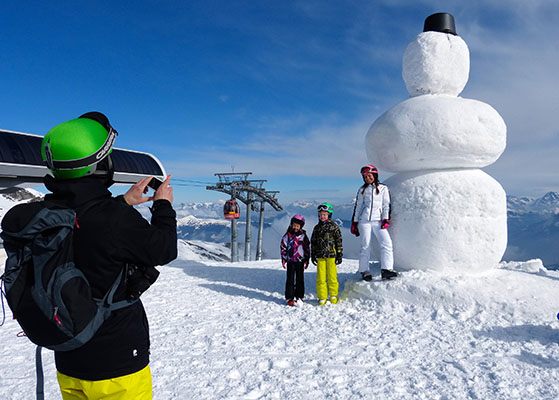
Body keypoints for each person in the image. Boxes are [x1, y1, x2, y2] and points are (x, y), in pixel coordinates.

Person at [2, 112, 177, 399]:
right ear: (99, 166)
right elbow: (164, 248)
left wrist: (123, 202)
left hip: (69, 356)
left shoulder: (49, 213)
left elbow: (83, 223)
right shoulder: (115, 220)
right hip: (117, 363)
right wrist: (163, 207)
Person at [350, 164, 397, 281]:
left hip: (378, 221)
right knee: (365, 246)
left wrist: (386, 219)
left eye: (369, 176)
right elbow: (358, 206)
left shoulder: (383, 189)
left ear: (375, 175)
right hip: (364, 221)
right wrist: (355, 222)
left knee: (386, 243)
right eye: (365, 177)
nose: (367, 178)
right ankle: (364, 271)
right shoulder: (362, 190)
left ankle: (386, 269)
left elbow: (386, 204)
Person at [311, 203, 343, 306]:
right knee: (320, 278)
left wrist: (339, 254)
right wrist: (313, 254)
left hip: (331, 256)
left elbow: (338, 241)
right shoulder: (317, 228)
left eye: (324, 214)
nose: (322, 217)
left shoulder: (334, 227)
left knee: (332, 277)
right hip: (320, 256)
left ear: (329, 215)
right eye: (320, 215)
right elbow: (313, 242)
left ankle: (333, 295)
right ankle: (322, 296)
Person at [280, 214, 310, 306]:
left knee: (300, 279)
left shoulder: (303, 236)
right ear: (291, 225)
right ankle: (290, 297)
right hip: (291, 261)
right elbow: (283, 246)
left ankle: (299, 296)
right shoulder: (287, 235)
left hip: (300, 260)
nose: (295, 227)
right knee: (290, 279)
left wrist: (307, 259)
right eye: (294, 225)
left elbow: (306, 248)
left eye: (297, 226)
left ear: (301, 226)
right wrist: (284, 258)